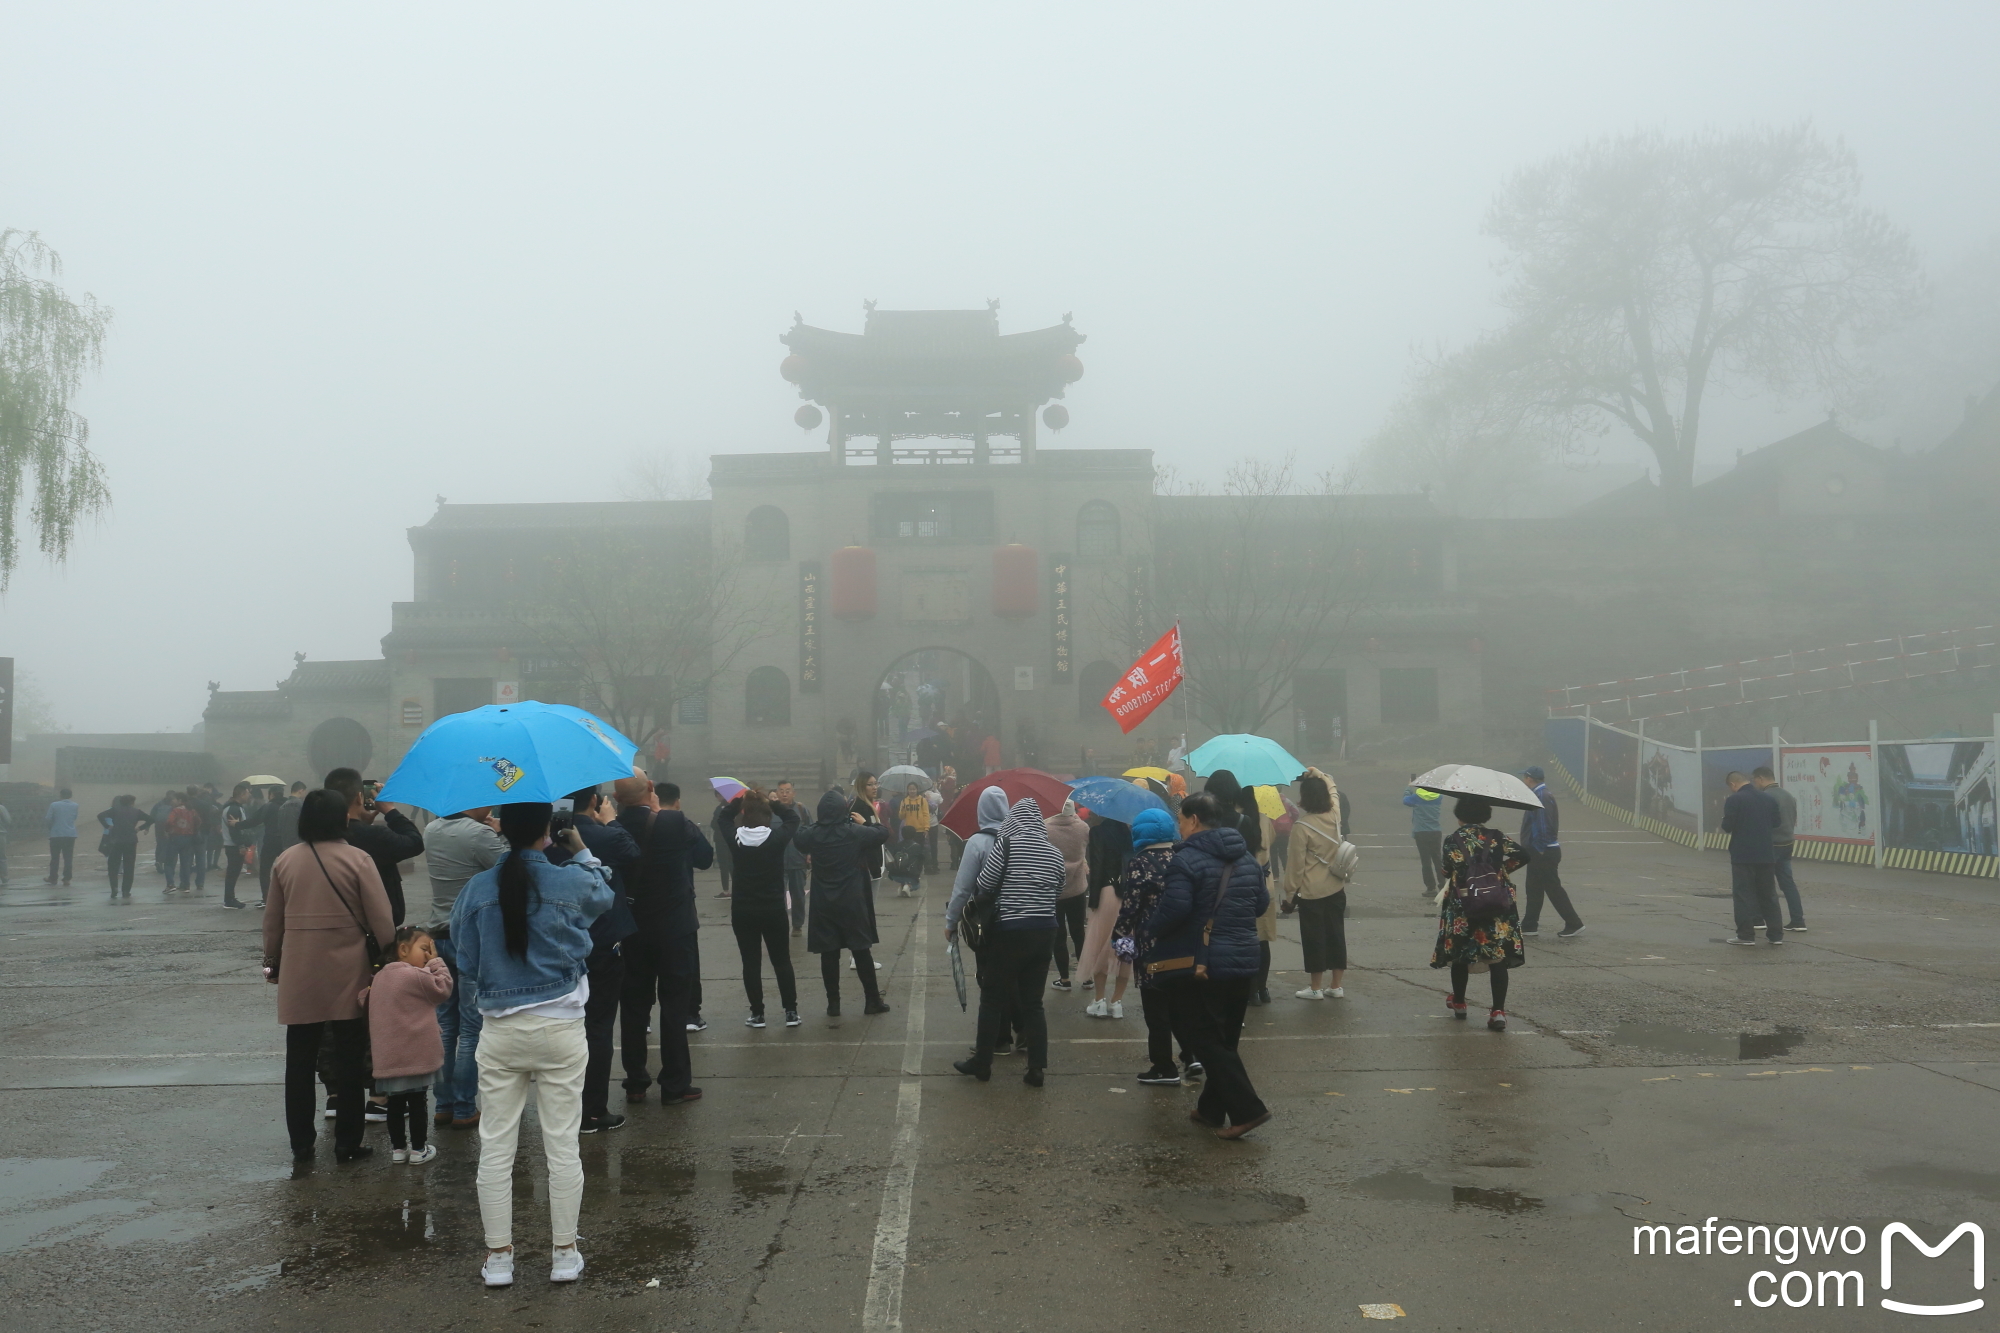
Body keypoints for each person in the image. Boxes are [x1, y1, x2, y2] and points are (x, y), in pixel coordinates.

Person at [451, 801, 615, 1288]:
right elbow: (604, 894)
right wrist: (582, 850)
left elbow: (463, 956)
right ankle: (564, 1252)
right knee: (562, 1144)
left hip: (500, 1032)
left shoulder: (478, 888)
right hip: (561, 1027)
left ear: (501, 828)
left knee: (496, 1148)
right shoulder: (568, 879)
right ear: (548, 828)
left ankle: (499, 1257)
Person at [263, 788, 395, 1164]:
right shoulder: (358, 860)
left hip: (299, 969)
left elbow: (272, 921)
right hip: (348, 968)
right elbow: (381, 920)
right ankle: (347, 1142)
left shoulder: (285, 861)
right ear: (342, 819)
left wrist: (271, 963)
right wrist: (388, 959)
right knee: (350, 1056)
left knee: (300, 1058)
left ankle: (301, 1142)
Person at [1145, 791, 1272, 1138]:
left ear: (1195, 820)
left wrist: (1149, 930)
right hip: (1244, 958)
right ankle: (1211, 1109)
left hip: (1203, 963)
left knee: (1202, 1036)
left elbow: (1175, 909)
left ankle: (1248, 1110)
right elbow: (1261, 904)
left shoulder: (1186, 860)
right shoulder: (1246, 857)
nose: (1180, 828)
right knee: (1225, 1039)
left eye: (1182, 821)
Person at [953, 797, 1064, 1086]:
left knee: (992, 997)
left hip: (1011, 930)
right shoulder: (1054, 852)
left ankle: (983, 1063)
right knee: (1033, 1003)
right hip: (1045, 931)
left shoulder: (1007, 845)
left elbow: (987, 883)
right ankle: (1036, 1068)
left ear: (1014, 820)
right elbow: (1059, 887)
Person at [614, 778, 712, 1105]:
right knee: (674, 1005)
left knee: (633, 1006)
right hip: (674, 927)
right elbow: (704, 856)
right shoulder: (672, 820)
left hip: (632, 929)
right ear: (651, 789)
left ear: (615, 797)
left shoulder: (613, 827)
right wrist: (662, 812)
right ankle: (675, 1083)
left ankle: (636, 1080)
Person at [551, 787, 642, 1134]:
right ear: (594, 800)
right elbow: (632, 853)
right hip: (601, 941)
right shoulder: (601, 835)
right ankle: (593, 1110)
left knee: (563, 1025)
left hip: (560, 939)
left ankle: (567, 1107)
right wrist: (613, 821)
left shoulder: (549, 835)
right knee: (599, 1028)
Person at [1430, 795, 1529, 1030]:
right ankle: (1497, 1012)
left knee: (1460, 953)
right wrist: (1500, 871)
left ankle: (1460, 1003)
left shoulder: (1452, 839)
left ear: (1459, 815)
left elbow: (1446, 870)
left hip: (1463, 904)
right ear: (1486, 814)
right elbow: (1524, 855)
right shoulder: (1496, 836)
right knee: (1497, 957)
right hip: (1495, 902)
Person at [359, 924, 454, 1164]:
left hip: (389, 1058)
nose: (428, 954)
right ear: (403, 949)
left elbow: (364, 1000)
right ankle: (419, 1149)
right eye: (425, 948)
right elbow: (443, 988)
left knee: (395, 1104)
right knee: (418, 1102)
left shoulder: (379, 977)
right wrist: (437, 962)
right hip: (417, 1057)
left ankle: (398, 1150)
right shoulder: (416, 975)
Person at [1115, 808, 1197, 1086]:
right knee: (1182, 1004)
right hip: (1184, 942)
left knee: (1156, 1007)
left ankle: (1164, 1067)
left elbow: (1131, 905)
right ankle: (1191, 1054)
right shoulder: (1182, 856)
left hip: (1152, 944)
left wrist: (1119, 934)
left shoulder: (1140, 862)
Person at [795, 789, 891, 1017]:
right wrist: (865, 821)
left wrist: (815, 824)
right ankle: (872, 1000)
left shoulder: (813, 835)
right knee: (860, 949)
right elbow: (882, 833)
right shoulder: (855, 832)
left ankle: (833, 1003)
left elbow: (798, 836)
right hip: (852, 899)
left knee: (829, 953)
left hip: (824, 902)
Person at [725, 788, 803, 1028]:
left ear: (744, 814)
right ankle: (790, 1011)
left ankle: (757, 1013)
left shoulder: (736, 838)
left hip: (743, 909)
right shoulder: (776, 838)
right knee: (781, 961)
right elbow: (794, 818)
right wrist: (773, 803)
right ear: (768, 816)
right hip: (773, 909)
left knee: (751, 963)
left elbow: (721, 818)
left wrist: (739, 801)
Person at [1204, 770, 1277, 1005]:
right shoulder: (1254, 819)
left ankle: (1241, 989)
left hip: (1224, 886)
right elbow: (1265, 844)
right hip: (1256, 884)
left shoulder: (1216, 821)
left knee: (1229, 939)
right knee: (1258, 938)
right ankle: (1258, 989)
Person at [325, 767, 423, 927]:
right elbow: (415, 843)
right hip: (375, 927)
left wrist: (362, 824)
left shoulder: (322, 834)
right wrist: (389, 810)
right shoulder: (376, 836)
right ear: (359, 797)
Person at [1286, 769, 1351, 998]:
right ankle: (1336, 986)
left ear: (1305, 798)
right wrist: (1319, 773)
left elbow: (1295, 866)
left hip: (1312, 891)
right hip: (1336, 886)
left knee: (1314, 938)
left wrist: (1289, 894)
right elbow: (1332, 787)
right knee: (1336, 934)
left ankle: (1315, 988)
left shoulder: (1301, 827)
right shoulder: (1335, 814)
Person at [1517, 766, 1583, 939]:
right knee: (1533, 888)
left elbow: (1544, 827)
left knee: (1553, 888)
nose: (1524, 782)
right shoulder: (1541, 795)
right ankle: (1529, 925)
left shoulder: (1541, 796)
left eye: (1525, 778)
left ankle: (1574, 923)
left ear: (1529, 778)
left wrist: (1538, 850)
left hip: (1543, 851)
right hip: (1540, 851)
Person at [1721, 772, 1784, 947]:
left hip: (1743, 854)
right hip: (1766, 853)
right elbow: (1776, 823)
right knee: (1769, 894)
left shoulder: (1734, 800)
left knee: (1743, 894)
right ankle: (1776, 935)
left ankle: (1746, 935)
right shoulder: (1768, 799)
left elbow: (1727, 826)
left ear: (1733, 784)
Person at [424, 806, 509, 916]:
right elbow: (507, 865)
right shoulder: (479, 832)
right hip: (468, 919)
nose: (489, 811)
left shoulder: (431, 828)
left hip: (439, 917)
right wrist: (501, 833)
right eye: (489, 806)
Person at [1752, 767, 1806, 932]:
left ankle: (1761, 920)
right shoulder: (1788, 795)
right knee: (1787, 883)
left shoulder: (1765, 797)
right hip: (1787, 843)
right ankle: (1798, 921)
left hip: (1770, 844)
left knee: (1763, 883)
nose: (1755, 784)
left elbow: (1761, 823)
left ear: (1761, 778)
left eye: (1755, 781)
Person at [1044, 799, 1090, 991]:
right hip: (1078, 887)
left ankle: (1064, 979)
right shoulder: (1083, 827)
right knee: (1079, 932)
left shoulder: (1045, 827)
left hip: (1054, 889)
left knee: (1059, 935)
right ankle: (1087, 977)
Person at [248, 782, 307, 906]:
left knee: (265, 871)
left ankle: (267, 899)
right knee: (288, 870)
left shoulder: (268, 806)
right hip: (286, 842)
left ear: (271, 794)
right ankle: (289, 897)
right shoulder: (289, 805)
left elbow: (254, 820)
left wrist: (237, 824)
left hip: (270, 842)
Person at [97, 795, 154, 900]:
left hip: (116, 840)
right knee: (129, 865)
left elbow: (100, 815)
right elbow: (151, 819)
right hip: (130, 840)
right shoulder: (136, 811)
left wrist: (108, 826)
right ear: (132, 802)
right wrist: (140, 828)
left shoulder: (114, 810)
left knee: (113, 865)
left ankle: (114, 887)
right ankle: (126, 890)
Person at [773, 781, 810, 936]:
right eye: (781, 791)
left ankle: (797, 925)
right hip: (776, 861)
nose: (784, 794)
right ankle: (779, 924)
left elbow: (811, 831)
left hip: (797, 859)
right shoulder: (771, 811)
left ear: (793, 793)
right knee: (776, 895)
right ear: (777, 792)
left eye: (788, 790)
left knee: (798, 895)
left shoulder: (801, 810)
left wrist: (810, 853)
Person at [1403, 778, 1444, 897]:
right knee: (1438, 859)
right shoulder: (1439, 797)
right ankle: (1442, 884)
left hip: (1421, 832)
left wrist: (1409, 787)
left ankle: (1430, 887)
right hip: (1436, 832)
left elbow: (1405, 800)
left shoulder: (1416, 798)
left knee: (1426, 861)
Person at [219, 782, 256, 909]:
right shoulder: (234, 809)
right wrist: (241, 845)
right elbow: (234, 829)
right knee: (232, 873)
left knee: (233, 873)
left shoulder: (235, 807)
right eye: (247, 793)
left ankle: (230, 898)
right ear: (241, 794)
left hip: (233, 845)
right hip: (233, 846)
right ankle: (229, 900)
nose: (249, 795)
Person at [892, 780, 932, 897]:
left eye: (914, 789)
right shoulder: (904, 801)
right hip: (908, 831)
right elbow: (901, 816)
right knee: (907, 855)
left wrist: (926, 828)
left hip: (919, 830)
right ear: (907, 790)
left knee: (917, 855)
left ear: (917, 790)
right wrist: (903, 807)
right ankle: (906, 881)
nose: (912, 791)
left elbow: (926, 814)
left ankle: (912, 878)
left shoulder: (922, 800)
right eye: (910, 789)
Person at [162, 791, 203, 894]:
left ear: (179, 800)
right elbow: (198, 821)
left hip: (175, 837)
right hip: (188, 838)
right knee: (185, 863)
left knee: (168, 862)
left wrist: (167, 830)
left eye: (174, 799)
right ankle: (185, 885)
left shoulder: (175, 811)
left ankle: (170, 884)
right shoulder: (191, 810)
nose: (172, 801)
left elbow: (169, 821)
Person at [44, 787, 78, 886]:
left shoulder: (54, 805)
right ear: (70, 796)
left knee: (55, 857)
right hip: (70, 834)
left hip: (56, 834)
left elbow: (48, 818)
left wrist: (51, 828)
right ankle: (67, 878)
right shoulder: (75, 805)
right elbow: (74, 818)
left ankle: (53, 878)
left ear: (61, 795)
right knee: (68, 857)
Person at [710, 791, 736, 899]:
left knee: (724, 866)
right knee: (732, 865)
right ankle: (737, 889)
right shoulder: (733, 807)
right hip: (731, 839)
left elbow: (714, 824)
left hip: (722, 840)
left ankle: (726, 891)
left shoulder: (720, 809)